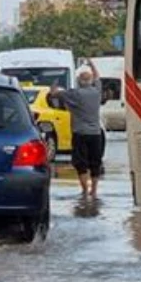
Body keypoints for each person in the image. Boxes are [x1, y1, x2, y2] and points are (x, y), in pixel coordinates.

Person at [51, 59, 105, 198]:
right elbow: (98, 76)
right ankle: (94, 190)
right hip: (96, 133)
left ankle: (84, 190)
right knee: (95, 162)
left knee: (81, 163)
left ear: (79, 81)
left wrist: (54, 85)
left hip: (80, 133)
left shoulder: (74, 93)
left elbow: (54, 94)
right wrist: (92, 64)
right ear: (91, 80)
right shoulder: (97, 91)